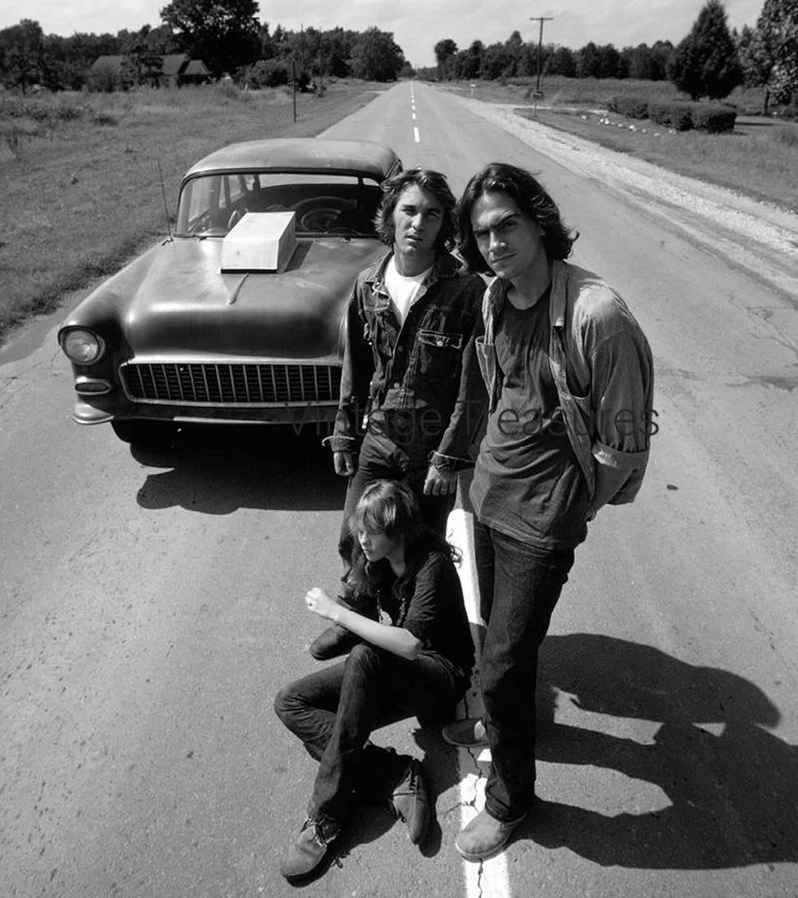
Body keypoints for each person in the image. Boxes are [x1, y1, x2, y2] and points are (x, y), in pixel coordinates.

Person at [442, 162, 654, 862]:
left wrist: (576, 509)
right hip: (489, 496)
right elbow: (498, 387)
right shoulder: (494, 296)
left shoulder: (597, 316)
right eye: (481, 233)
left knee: (501, 665)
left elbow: (623, 446)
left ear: (538, 220)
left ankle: (509, 799)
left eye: (506, 225)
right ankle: (507, 722)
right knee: (500, 641)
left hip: (542, 519)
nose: (494, 242)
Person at [315, 167, 486, 660]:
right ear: (389, 216)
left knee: (417, 552)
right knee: (356, 533)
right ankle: (361, 615)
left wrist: (449, 457)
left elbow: (473, 386)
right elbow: (356, 365)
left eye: (432, 214)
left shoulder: (465, 290)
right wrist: (345, 436)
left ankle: (422, 636)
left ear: (444, 224)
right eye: (409, 210)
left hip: (429, 449)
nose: (419, 223)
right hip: (378, 436)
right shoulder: (369, 284)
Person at [274, 480, 475, 878]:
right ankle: (396, 773)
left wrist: (336, 612)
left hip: (441, 677)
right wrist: (339, 628)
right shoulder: (376, 561)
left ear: (397, 529)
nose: (362, 540)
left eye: (370, 531)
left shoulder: (431, 563)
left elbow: (411, 644)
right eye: (359, 530)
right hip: (393, 670)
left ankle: (326, 815)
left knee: (363, 660)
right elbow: (367, 614)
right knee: (291, 702)